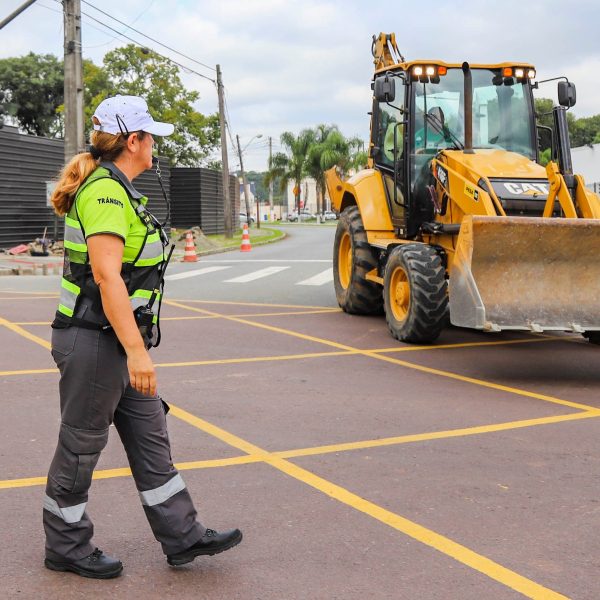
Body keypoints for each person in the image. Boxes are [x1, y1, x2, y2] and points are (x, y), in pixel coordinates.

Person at [44, 95, 242, 579]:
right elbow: (108, 278)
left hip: (114, 338)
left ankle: (183, 536)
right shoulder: (105, 194)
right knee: (82, 444)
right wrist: (137, 353)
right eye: (150, 136)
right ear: (133, 141)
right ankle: (66, 546)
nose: (155, 144)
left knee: (151, 435)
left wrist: (132, 347)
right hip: (94, 341)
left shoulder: (121, 190)